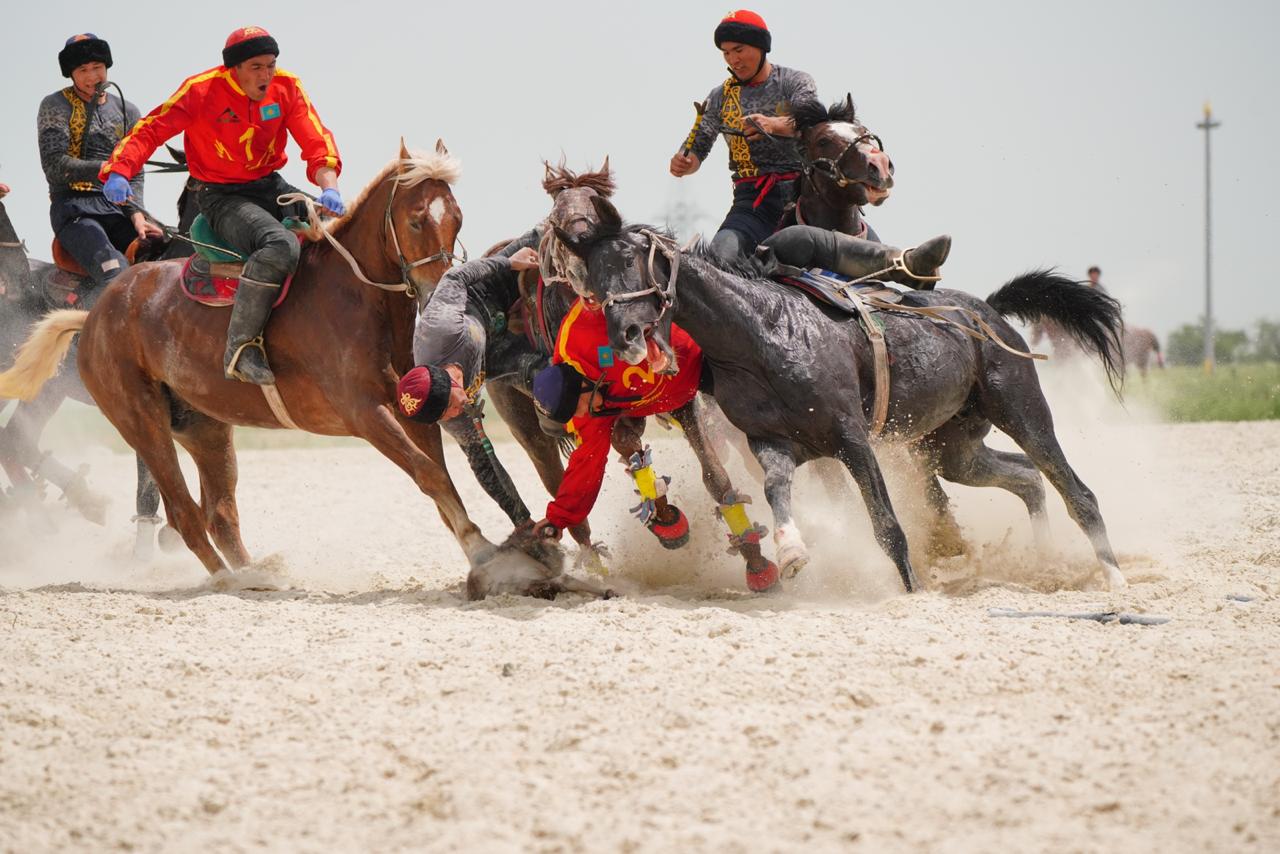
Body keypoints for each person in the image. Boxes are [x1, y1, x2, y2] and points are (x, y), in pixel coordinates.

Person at [98, 26, 344, 385]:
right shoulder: (200, 91)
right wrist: (120, 171)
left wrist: (329, 187)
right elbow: (151, 129)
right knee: (280, 246)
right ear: (234, 69)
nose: (266, 74)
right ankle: (241, 348)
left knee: (340, 234)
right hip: (221, 195)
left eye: (271, 65)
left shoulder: (287, 87)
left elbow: (316, 140)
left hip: (270, 185)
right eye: (257, 67)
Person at [528, 299, 779, 592]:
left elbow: (623, 293)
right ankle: (661, 511)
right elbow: (586, 462)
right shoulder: (589, 410)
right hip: (644, 399)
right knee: (620, 438)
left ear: (582, 385)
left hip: (697, 364)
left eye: (580, 407)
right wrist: (559, 519)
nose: (582, 415)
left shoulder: (584, 327)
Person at [394, 242, 552, 527]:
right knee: (552, 385)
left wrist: (509, 262)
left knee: (544, 237)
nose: (456, 415)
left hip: (484, 298)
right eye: (448, 417)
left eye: (452, 407)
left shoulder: (441, 329)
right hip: (491, 354)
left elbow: (455, 277)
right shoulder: (448, 414)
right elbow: (484, 464)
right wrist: (523, 521)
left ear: (451, 380)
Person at [669, 10, 817, 264]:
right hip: (751, 203)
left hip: (806, 195)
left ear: (760, 47)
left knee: (857, 246)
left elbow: (813, 124)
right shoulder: (720, 97)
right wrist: (686, 162)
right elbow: (698, 144)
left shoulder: (794, 82)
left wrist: (771, 124)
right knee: (718, 258)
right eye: (726, 53)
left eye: (738, 50)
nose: (733, 59)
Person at [37, 33, 161, 308]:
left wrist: (137, 213)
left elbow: (136, 170)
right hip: (74, 208)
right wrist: (108, 169)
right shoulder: (55, 105)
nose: (92, 76)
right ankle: (78, 342)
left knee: (168, 255)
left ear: (107, 67)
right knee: (116, 275)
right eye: (83, 70)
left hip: (119, 207)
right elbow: (54, 165)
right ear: (71, 74)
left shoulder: (128, 110)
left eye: (97, 68)